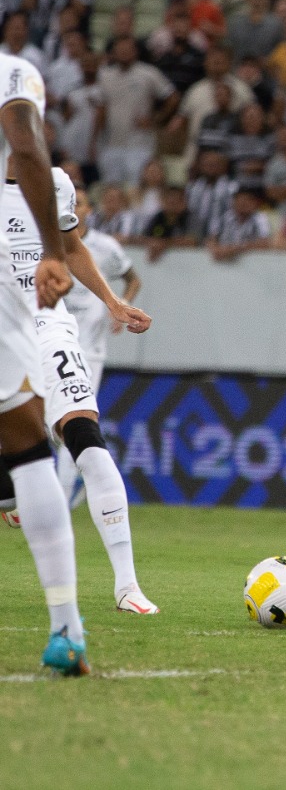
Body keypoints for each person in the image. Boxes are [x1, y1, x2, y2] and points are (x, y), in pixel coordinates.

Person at [0, 170, 157, 614]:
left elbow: (71, 247)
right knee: (14, 479)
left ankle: (127, 587)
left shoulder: (55, 182)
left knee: (86, 440)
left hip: (50, 327)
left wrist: (114, 302)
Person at [0, 50, 89, 674]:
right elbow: (27, 149)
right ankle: (66, 629)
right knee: (28, 444)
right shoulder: (11, 71)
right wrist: (52, 251)